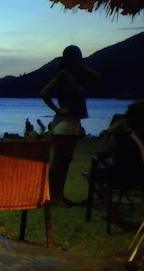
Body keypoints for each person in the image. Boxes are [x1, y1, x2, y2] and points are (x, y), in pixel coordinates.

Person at [41, 45, 102, 206]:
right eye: (77, 57)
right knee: (60, 160)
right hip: (64, 121)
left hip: (74, 121)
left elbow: (98, 77)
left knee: (66, 160)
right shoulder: (62, 74)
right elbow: (44, 93)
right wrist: (57, 109)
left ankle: (59, 194)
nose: (80, 59)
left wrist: (81, 66)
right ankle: (53, 195)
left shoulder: (76, 75)